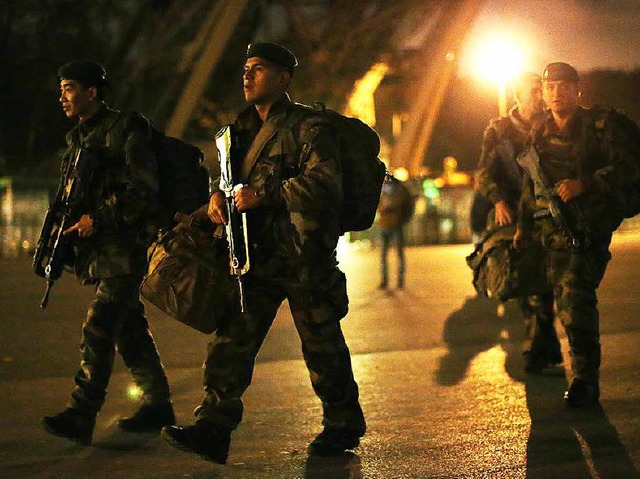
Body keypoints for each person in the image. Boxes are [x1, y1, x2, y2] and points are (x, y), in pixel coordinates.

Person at [161, 43, 366, 463]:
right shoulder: (233, 132)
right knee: (230, 342)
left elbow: (326, 186)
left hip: (303, 256)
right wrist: (218, 199)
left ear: (283, 78)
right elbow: (230, 185)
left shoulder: (309, 127)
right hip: (254, 257)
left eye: (258, 69)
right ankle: (213, 428)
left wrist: (263, 195)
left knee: (322, 345)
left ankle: (342, 424)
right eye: (246, 68)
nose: (247, 76)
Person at [41, 61, 175, 445]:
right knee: (130, 330)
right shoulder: (78, 138)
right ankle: (157, 405)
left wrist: (96, 220)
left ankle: (82, 414)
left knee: (99, 327)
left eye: (69, 87)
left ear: (93, 92)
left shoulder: (125, 129)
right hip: (102, 252)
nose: (62, 96)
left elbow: (143, 188)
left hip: (127, 249)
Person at [514, 62, 640, 407]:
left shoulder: (601, 127)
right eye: (550, 87)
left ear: (577, 90)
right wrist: (524, 226)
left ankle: (585, 379)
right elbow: (530, 184)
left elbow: (629, 168)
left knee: (575, 295)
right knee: (562, 298)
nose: (557, 94)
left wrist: (586, 184)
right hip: (551, 231)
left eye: (564, 87)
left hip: (590, 228)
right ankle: (578, 372)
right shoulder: (538, 130)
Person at [475, 72, 562, 375]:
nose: (541, 96)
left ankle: (540, 348)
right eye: (534, 91)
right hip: (512, 212)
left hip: (547, 212)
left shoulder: (552, 126)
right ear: (518, 96)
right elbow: (483, 173)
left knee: (549, 281)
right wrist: (498, 200)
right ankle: (539, 349)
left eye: (542, 90)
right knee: (527, 280)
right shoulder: (499, 131)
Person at [377, 175, 413, 289]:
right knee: (388, 254)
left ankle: (399, 281)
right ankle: (386, 280)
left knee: (397, 254)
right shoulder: (386, 191)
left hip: (394, 224)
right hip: (386, 224)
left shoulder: (399, 191)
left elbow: (402, 205)